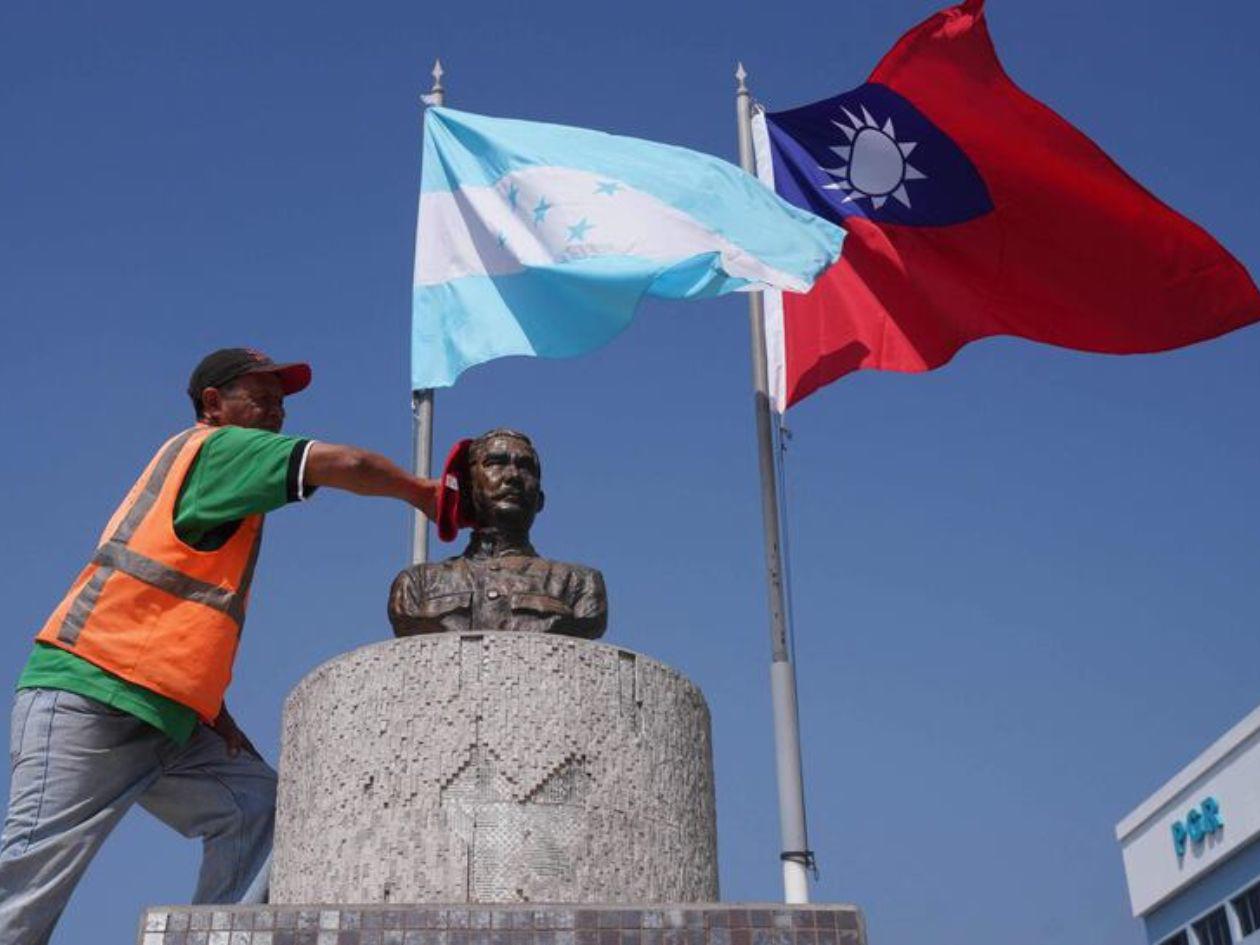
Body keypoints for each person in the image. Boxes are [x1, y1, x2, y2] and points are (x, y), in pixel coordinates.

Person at [0, 348, 440, 944]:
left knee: (261, 811)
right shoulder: (219, 449)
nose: (277, 412)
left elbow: (176, 614)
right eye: (262, 398)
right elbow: (347, 463)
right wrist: (421, 492)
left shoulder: (219, 477)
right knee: (27, 886)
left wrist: (213, 708)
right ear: (214, 404)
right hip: (90, 695)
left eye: (281, 403)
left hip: (165, 716)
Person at [388, 428, 607, 639]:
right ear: (468, 489)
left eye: (525, 467)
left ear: (540, 500)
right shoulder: (418, 585)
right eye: (495, 463)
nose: (513, 476)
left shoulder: (578, 585)